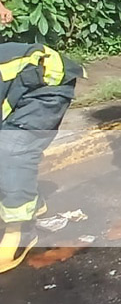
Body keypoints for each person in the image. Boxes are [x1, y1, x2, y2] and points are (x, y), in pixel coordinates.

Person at [0, 43, 84, 273]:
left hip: (46, 83)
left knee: (12, 150)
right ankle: (31, 204)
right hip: (19, 81)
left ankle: (21, 232)